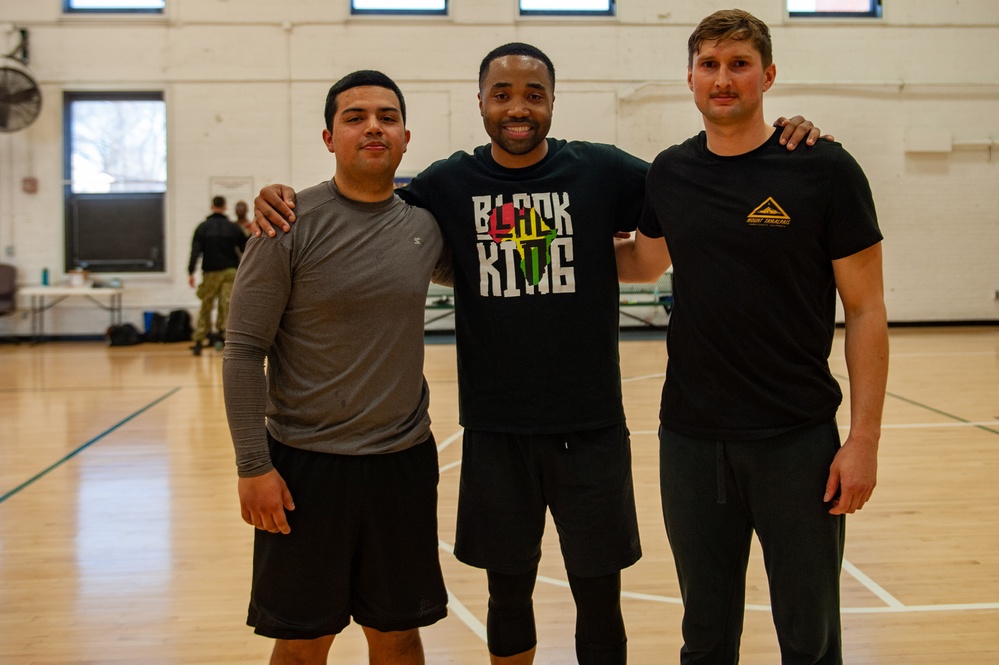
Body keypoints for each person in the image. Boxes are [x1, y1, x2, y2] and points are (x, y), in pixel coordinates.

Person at [253, 43, 824, 665]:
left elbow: (698, 174)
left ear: (553, 101)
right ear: (480, 103)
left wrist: (776, 138)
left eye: (533, 94)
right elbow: (369, 201)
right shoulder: (449, 183)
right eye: (502, 95)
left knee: (599, 595)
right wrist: (284, 197)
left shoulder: (601, 171)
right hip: (498, 429)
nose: (517, 108)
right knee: (508, 593)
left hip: (592, 425)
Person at [615, 10, 888, 664]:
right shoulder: (670, 172)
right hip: (689, 438)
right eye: (708, 64)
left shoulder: (823, 168)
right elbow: (644, 262)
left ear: (767, 75)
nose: (723, 78)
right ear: (689, 77)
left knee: (809, 632)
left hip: (795, 438)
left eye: (738, 64)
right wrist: (550, 247)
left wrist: (863, 441)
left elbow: (867, 308)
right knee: (705, 633)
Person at [222, 70, 451, 665]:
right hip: (303, 471)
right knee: (302, 640)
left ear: (404, 138)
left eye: (387, 117)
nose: (373, 126)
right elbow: (245, 351)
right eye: (355, 117)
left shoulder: (427, 227)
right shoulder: (285, 224)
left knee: (398, 635)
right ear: (329, 137)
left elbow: (501, 260)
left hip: (400, 465)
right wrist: (253, 465)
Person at [187, 195, 247, 355]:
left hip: (211, 272)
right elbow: (246, 249)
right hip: (230, 271)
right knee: (226, 305)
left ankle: (199, 340)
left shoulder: (203, 228)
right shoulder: (233, 228)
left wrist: (190, 271)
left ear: (212, 207)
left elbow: (195, 252)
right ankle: (225, 338)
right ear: (225, 207)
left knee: (206, 305)